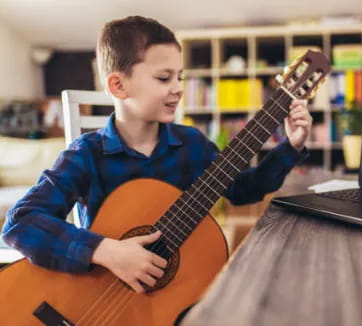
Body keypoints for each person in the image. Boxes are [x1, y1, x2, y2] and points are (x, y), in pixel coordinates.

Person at [2, 16, 312, 294]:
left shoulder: (191, 143)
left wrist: (291, 146)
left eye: (180, 76)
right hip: (102, 296)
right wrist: (107, 251)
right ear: (119, 85)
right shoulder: (87, 154)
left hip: (172, 292)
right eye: (164, 78)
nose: (178, 88)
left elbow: (244, 190)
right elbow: (21, 223)